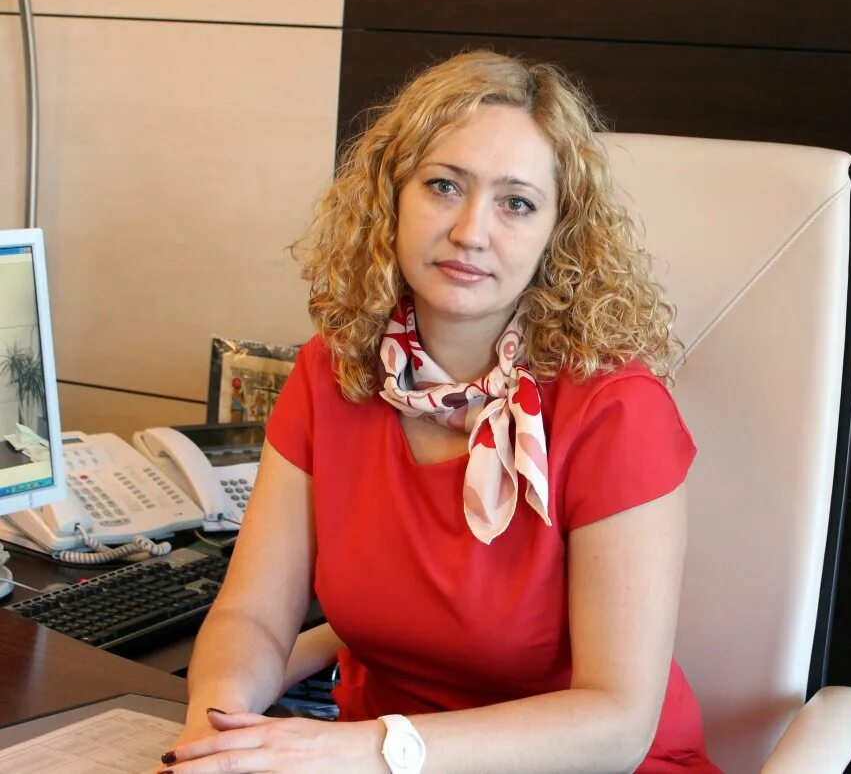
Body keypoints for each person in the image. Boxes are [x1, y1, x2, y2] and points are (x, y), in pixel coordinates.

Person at [157, 51, 721, 773]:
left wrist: (374, 749)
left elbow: (617, 722)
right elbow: (253, 616)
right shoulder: (332, 372)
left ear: (559, 233)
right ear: (390, 198)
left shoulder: (615, 410)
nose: (470, 231)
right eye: (444, 186)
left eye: (517, 203)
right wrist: (218, 734)